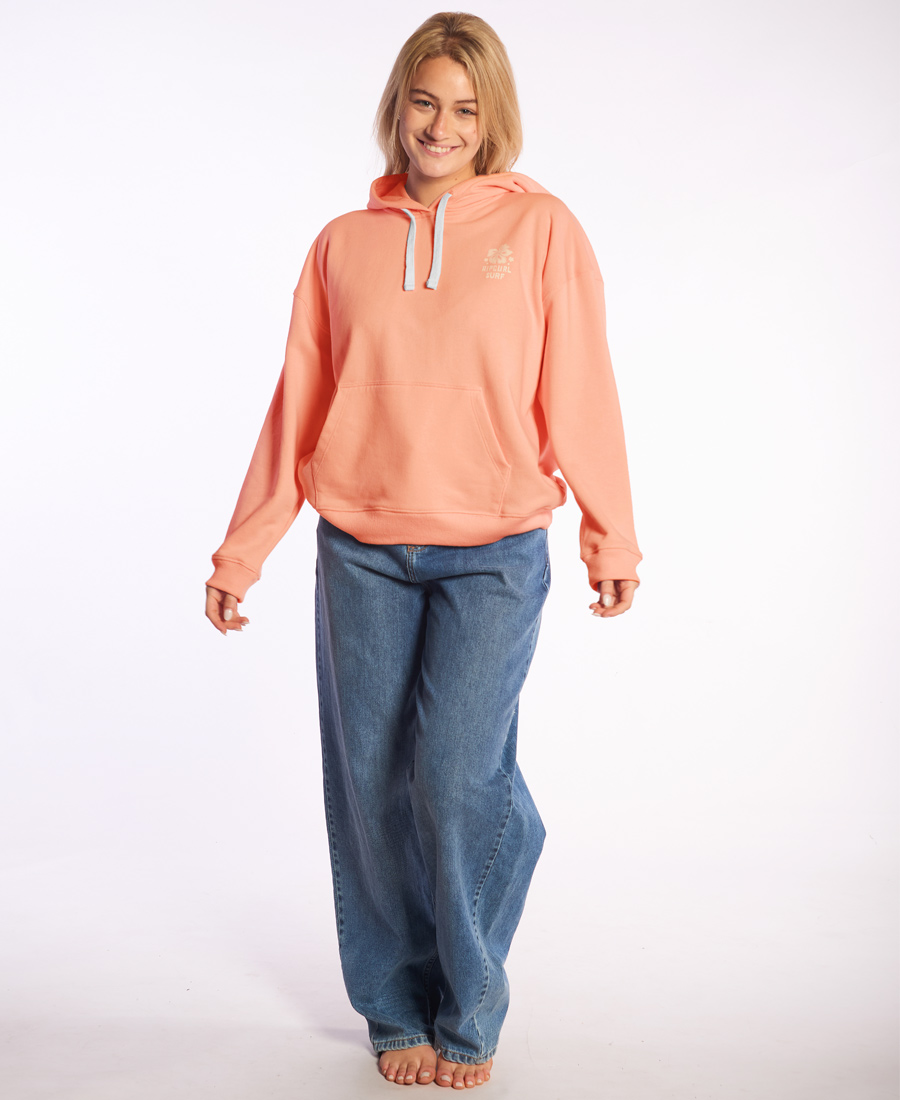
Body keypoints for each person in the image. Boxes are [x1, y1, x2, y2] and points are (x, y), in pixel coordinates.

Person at [204, 11, 642, 1090]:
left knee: (452, 774)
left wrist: (610, 530)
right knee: (369, 783)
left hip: (495, 549)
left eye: (466, 110)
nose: (441, 127)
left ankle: (470, 1003)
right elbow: (299, 404)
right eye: (424, 102)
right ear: (397, 105)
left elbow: (582, 388)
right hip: (361, 548)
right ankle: (393, 1004)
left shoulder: (541, 230)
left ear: (493, 120)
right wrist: (242, 551)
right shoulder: (341, 245)